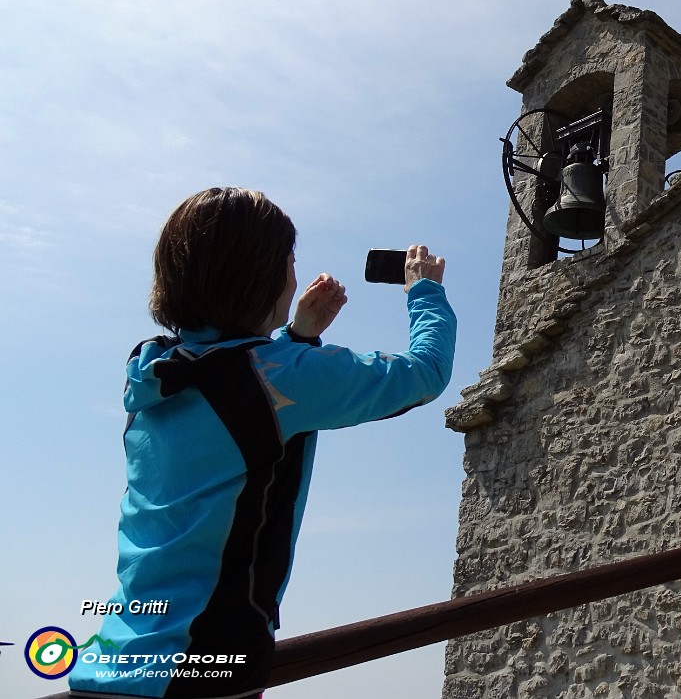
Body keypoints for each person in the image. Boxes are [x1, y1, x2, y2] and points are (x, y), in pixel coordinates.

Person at [68, 187, 456, 699]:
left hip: (111, 661)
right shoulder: (279, 377)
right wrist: (424, 292)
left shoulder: (155, 369)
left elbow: (240, 398)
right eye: (288, 260)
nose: (295, 274)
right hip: (200, 668)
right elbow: (424, 374)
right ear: (261, 272)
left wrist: (297, 339)